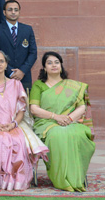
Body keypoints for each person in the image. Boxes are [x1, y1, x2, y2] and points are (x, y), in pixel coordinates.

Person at [0, 50, 48, 191]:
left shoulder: (16, 84)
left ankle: (14, 182)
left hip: (13, 124)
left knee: (18, 141)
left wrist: (13, 124)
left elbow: (21, 110)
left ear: (6, 64)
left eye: (1, 61)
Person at [29, 51, 95, 192]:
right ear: (44, 68)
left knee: (78, 135)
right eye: (49, 63)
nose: (54, 65)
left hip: (70, 122)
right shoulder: (39, 85)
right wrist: (55, 117)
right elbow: (34, 109)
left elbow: (81, 107)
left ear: (61, 66)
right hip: (46, 124)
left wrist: (69, 119)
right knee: (57, 135)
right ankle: (61, 179)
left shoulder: (72, 85)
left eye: (57, 62)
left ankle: (75, 178)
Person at [0, 0, 37, 90]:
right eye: (10, 10)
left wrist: (22, 71)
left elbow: (33, 53)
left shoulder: (27, 29)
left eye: (16, 10)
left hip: (24, 76)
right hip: (4, 75)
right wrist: (10, 72)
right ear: (4, 12)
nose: (13, 12)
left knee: (24, 103)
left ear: (19, 12)